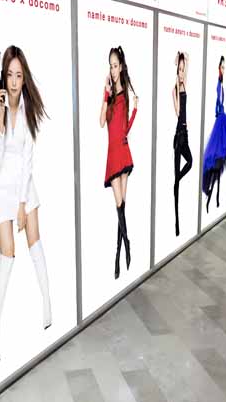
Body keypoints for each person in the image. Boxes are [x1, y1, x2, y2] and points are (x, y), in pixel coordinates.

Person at [0, 45, 51, 366]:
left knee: (35, 242)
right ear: (3, 75)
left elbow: (28, 159)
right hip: (0, 189)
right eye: (9, 75)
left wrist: (24, 203)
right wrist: (0, 116)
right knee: (7, 255)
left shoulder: (27, 108)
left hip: (24, 187)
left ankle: (47, 304)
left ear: (24, 78)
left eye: (19, 76)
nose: (13, 81)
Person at [100, 46, 138, 279]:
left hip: (123, 151)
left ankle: (117, 255)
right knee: (119, 205)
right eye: (110, 66)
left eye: (115, 66)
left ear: (121, 67)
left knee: (122, 206)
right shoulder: (109, 94)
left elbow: (124, 129)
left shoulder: (125, 94)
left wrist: (134, 113)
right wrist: (105, 94)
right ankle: (126, 244)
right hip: (112, 155)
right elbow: (101, 122)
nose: (113, 70)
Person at [202, 56, 226, 213]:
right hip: (220, 124)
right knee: (215, 159)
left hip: (221, 124)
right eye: (222, 67)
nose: (223, 69)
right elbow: (218, 98)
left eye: (224, 67)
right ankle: (209, 192)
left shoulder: (221, 85)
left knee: (217, 160)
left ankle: (211, 194)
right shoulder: (219, 85)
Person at [172, 52, 192, 236]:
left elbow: (188, 61)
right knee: (176, 186)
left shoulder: (185, 83)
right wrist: (178, 88)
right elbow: (178, 112)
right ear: (176, 71)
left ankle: (177, 178)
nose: (182, 73)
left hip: (185, 134)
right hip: (178, 135)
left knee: (190, 162)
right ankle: (177, 224)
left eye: (183, 70)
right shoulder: (175, 89)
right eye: (179, 69)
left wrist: (186, 59)